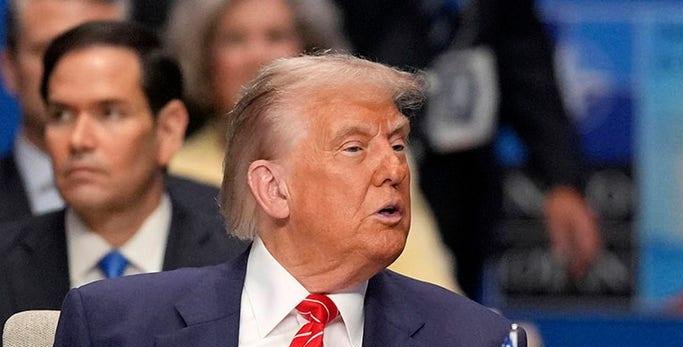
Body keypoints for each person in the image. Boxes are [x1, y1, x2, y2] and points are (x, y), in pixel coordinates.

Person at [18, 52, 532, 347]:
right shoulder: (107, 324)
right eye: (355, 148)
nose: (393, 169)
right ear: (273, 188)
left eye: (397, 144)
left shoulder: (486, 343)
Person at [0, 20, 243, 347]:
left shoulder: (238, 261)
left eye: (109, 113)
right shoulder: (6, 264)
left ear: (167, 130)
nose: (79, 140)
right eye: (61, 115)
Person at [163, 0, 461, 292]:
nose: (257, 55)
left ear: (309, 52)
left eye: (276, 36)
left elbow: (431, 285)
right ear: (204, 57)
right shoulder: (172, 169)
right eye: (235, 39)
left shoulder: (378, 155)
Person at [335, 0, 602, 298]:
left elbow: (528, 72)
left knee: (453, 314)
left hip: (464, 186)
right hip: (367, 173)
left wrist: (562, 181)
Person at [0, 0, 126, 220]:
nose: (74, 72)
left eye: (95, 52)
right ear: (10, 68)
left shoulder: (198, 208)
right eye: (51, 51)